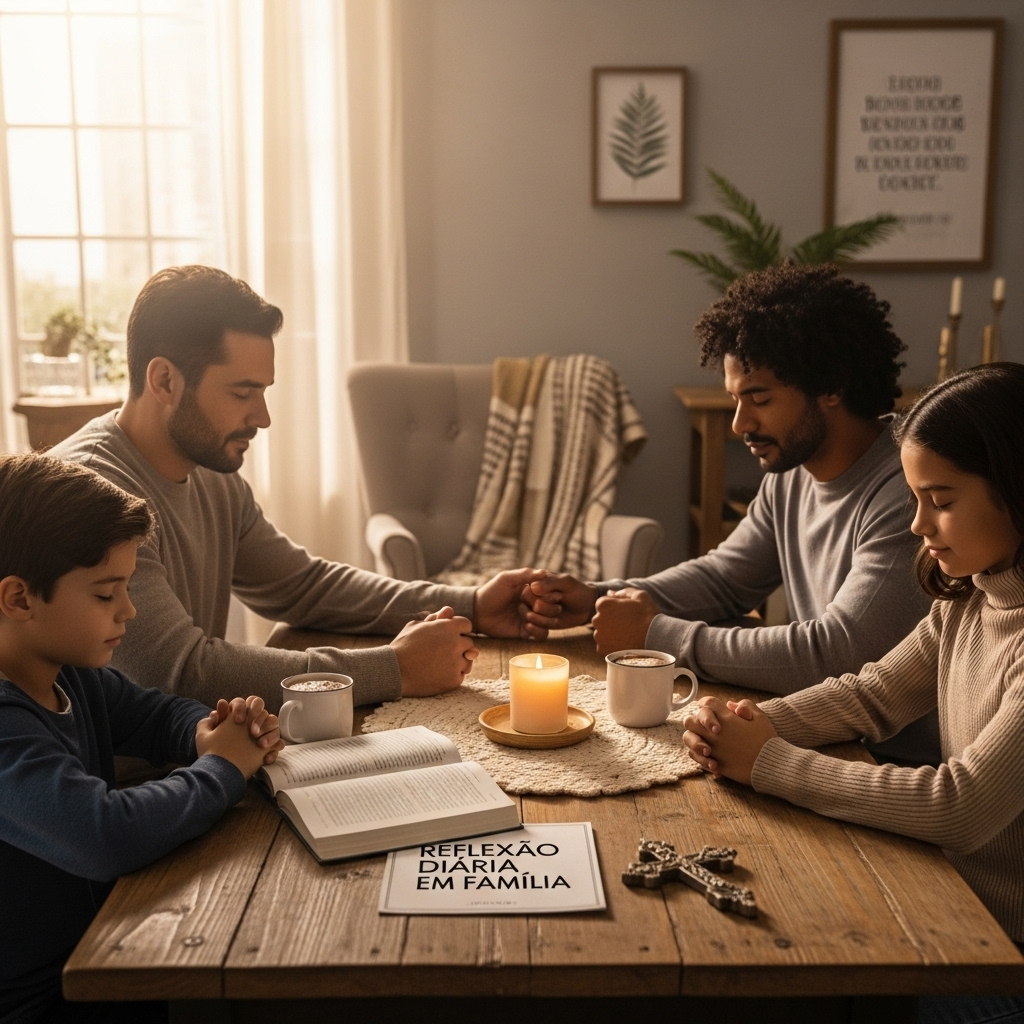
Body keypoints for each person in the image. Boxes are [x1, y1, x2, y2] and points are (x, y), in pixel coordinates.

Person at [682, 364, 1024, 1024]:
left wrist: (769, 761)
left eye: (942, 500)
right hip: (952, 903)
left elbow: (958, 805)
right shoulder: (972, 596)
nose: (918, 524)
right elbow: (873, 694)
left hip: (1001, 954)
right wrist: (745, 722)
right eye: (916, 497)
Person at [52, 266, 543, 712]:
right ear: (164, 380)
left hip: (193, 755)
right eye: (242, 393)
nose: (262, 418)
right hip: (123, 788)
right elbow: (181, 672)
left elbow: (302, 586)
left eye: (263, 392)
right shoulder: (93, 494)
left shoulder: (212, 474)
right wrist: (394, 669)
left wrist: (473, 603)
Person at [521, 263, 936, 761]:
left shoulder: (911, 487)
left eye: (758, 398)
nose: (741, 423)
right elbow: (724, 579)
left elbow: (839, 652)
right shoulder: (791, 474)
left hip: (887, 766)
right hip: (819, 734)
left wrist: (656, 634)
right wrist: (598, 599)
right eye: (735, 400)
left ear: (832, 386)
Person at [0, 453, 284, 1024]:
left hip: (105, 952)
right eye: (106, 595)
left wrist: (208, 730)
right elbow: (104, 834)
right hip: (45, 1000)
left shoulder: (70, 673)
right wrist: (222, 768)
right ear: (20, 598)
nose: (128, 610)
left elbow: (154, 715)